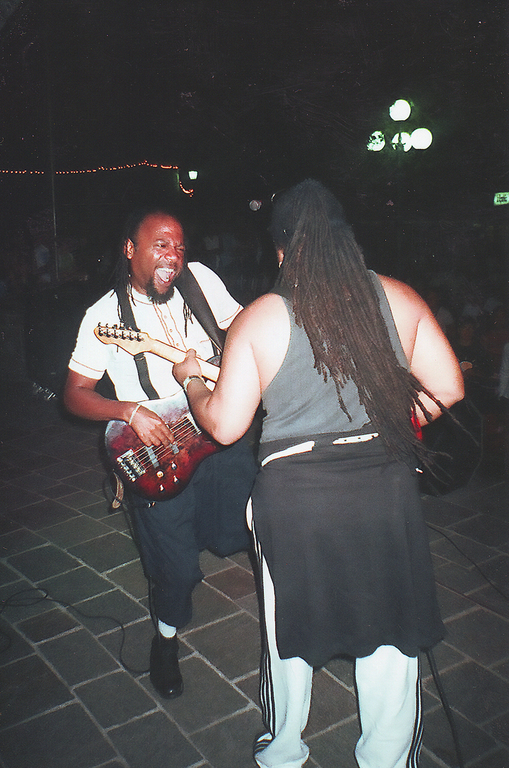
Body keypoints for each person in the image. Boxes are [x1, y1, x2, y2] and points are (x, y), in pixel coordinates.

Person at [172, 180, 465, 768]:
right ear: (345, 238)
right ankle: (387, 757)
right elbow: (449, 388)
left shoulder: (260, 317)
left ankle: (284, 749)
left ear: (281, 248)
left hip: (296, 501)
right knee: (392, 631)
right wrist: (388, 423)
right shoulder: (400, 297)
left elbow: (225, 426)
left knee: (289, 626)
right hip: (383, 492)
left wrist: (192, 380)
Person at [64, 206, 257, 699]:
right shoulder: (104, 316)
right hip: (160, 451)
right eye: (160, 245)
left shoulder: (201, 281)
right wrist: (128, 411)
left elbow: (243, 328)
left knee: (244, 530)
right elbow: (74, 394)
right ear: (130, 250)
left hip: (222, 436)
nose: (173, 255)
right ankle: (166, 641)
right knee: (176, 568)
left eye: (179, 246)